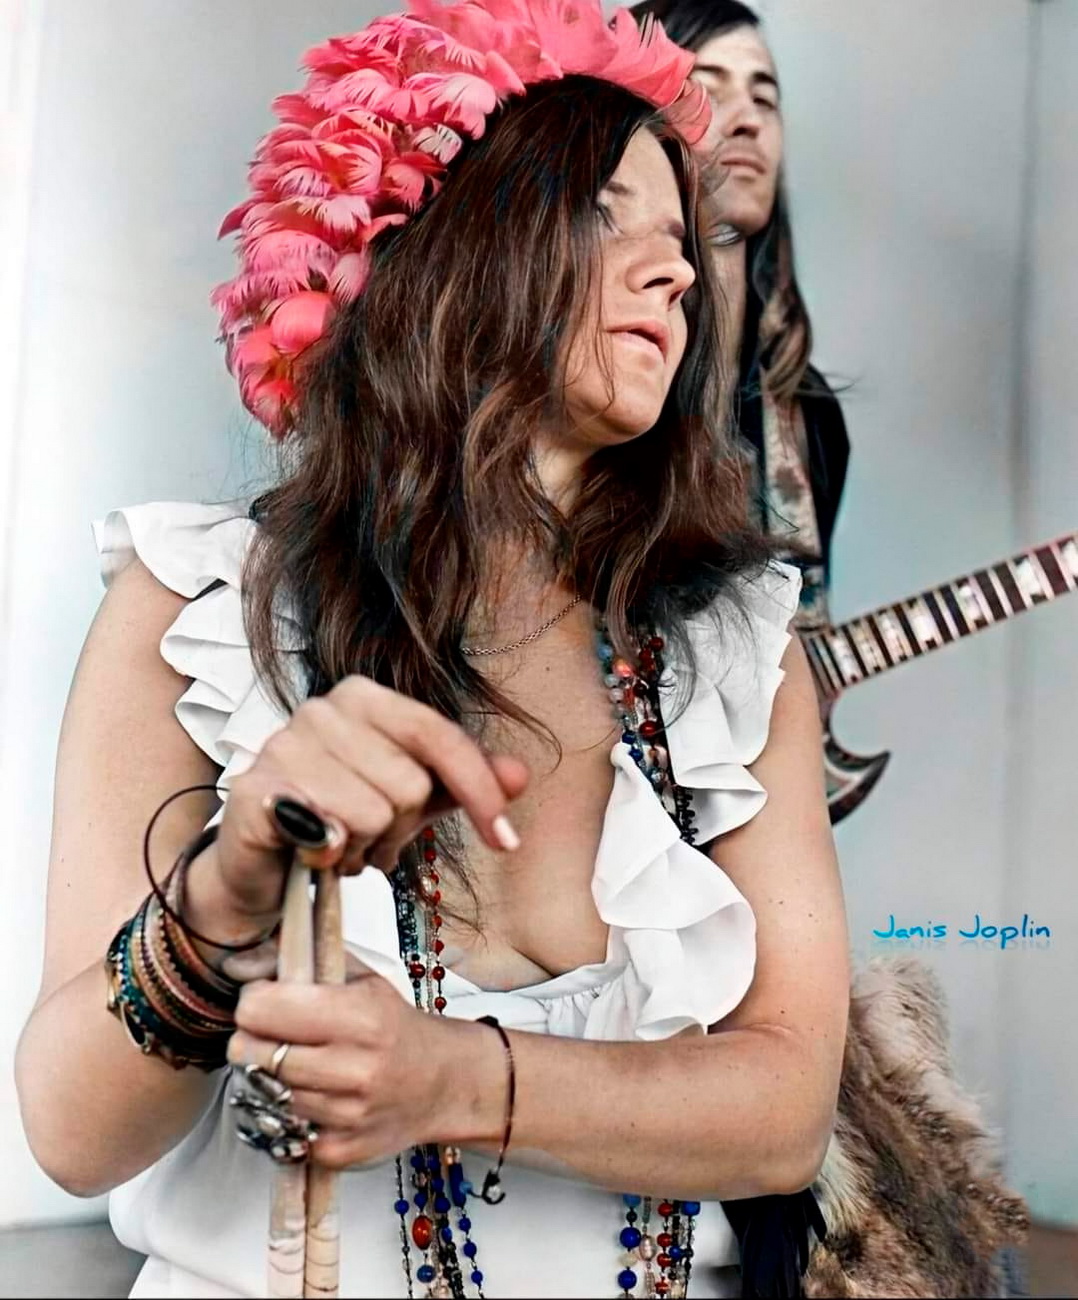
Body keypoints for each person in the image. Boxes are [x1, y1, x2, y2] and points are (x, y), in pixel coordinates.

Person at [15, 1, 849, 1297]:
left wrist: (454, 1079)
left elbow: (785, 1110)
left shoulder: (735, 653)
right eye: (603, 215)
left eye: (680, 241)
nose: (677, 272)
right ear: (439, 242)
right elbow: (71, 1135)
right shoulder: (197, 608)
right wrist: (222, 897)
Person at [632, 0, 850, 634]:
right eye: (708, 87)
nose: (748, 120)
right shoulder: (595, 376)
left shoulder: (811, 416)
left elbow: (803, 655)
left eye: (765, 99)